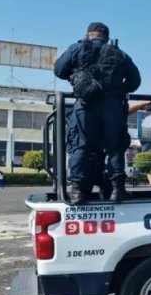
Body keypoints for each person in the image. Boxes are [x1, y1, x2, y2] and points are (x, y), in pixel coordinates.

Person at [54, 22, 141, 204]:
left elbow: (59, 70)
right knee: (115, 147)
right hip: (113, 106)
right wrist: (117, 90)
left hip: (86, 105)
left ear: (88, 34)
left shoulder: (77, 48)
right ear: (107, 37)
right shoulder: (119, 53)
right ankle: (117, 190)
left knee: (81, 145)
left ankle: (76, 191)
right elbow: (135, 81)